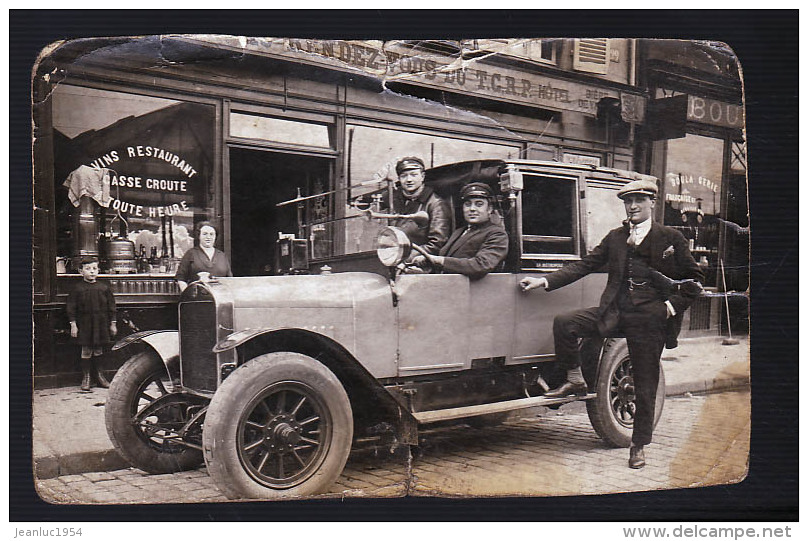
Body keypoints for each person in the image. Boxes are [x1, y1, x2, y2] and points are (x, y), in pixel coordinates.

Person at [519, 179, 703, 469]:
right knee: (566, 322)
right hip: (615, 312)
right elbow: (584, 265)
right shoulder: (616, 237)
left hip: (649, 320)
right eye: (628, 202)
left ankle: (638, 445)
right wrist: (545, 280)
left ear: (652, 203)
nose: (633, 207)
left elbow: (695, 282)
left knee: (645, 384)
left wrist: (669, 308)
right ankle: (575, 380)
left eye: (639, 201)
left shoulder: (671, 238)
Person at [413, 182, 508, 280]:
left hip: (476, 292)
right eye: (467, 204)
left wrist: (439, 260)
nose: (472, 209)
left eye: (479, 204)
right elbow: (448, 261)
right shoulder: (460, 231)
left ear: (489, 209)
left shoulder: (497, 234)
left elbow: (480, 265)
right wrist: (428, 260)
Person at [67, 256, 117, 392]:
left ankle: (100, 377)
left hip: (100, 323)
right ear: (80, 271)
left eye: (94, 268)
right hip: (85, 324)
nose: (92, 272)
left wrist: (113, 324)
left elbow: (112, 307)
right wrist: (73, 324)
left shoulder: (104, 288)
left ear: (98, 270)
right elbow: (71, 307)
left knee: (98, 349)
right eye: (88, 269)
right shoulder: (77, 288)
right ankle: (87, 377)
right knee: (86, 350)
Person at [390, 157, 451, 255]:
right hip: (391, 256)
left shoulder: (436, 204)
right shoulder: (395, 200)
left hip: (418, 263)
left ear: (422, 176)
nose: (409, 180)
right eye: (404, 176)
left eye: (414, 175)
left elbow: (437, 243)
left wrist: (405, 256)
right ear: (399, 179)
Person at [175, 221, 233, 292]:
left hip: (220, 298)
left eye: (211, 234)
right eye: (205, 234)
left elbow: (229, 279)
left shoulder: (222, 255)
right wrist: (188, 295)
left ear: (215, 236)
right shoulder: (191, 254)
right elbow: (181, 278)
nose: (208, 237)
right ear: (199, 236)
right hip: (198, 299)